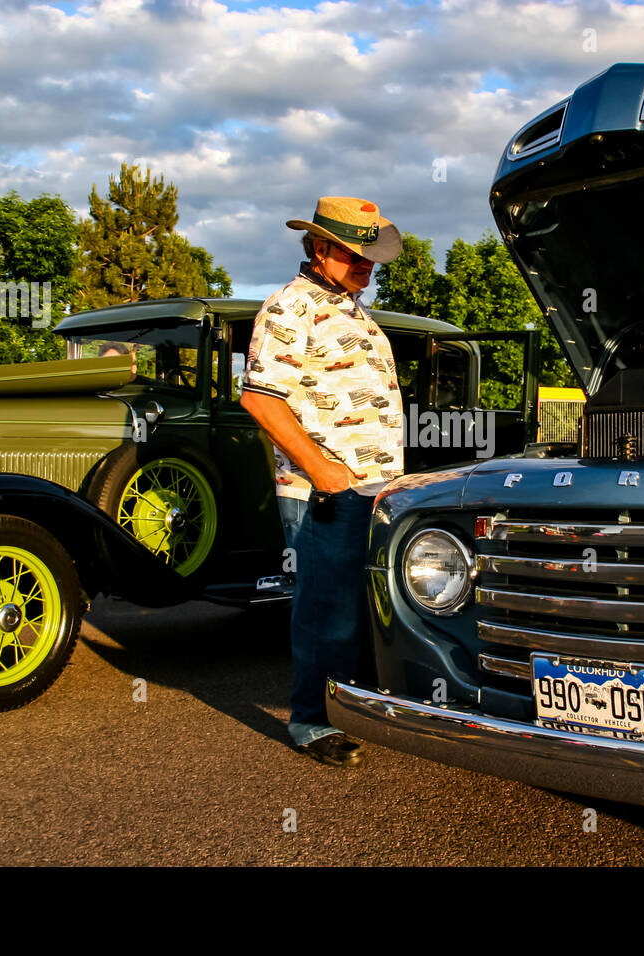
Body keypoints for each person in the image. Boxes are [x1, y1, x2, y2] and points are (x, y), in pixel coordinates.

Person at [239, 196, 404, 768]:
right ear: (319, 247)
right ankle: (312, 721)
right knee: (325, 609)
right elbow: (259, 400)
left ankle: (356, 705)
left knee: (364, 604)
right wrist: (321, 469)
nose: (366, 265)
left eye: (370, 256)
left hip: (374, 492)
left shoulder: (354, 311)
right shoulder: (291, 307)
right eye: (355, 255)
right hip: (324, 491)